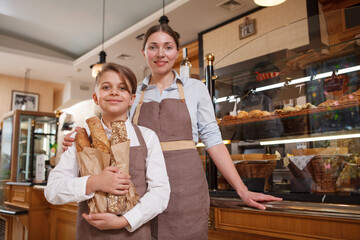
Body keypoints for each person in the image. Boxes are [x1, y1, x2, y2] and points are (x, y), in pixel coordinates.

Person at [63, 24, 282, 239]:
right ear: (144, 52)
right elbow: (115, 137)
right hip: (140, 189)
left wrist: (242, 190)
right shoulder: (132, 92)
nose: (160, 54)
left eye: (168, 47)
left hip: (187, 187)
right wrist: (81, 146)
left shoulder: (195, 88)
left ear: (176, 52)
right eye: (153, 47)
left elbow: (213, 140)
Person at [45, 63, 170, 240]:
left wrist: (125, 220)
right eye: (106, 87)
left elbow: (160, 192)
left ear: (132, 98)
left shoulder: (147, 137)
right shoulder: (81, 140)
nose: (114, 92)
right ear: (96, 97)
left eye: (122, 88)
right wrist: (94, 182)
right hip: (90, 235)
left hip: (135, 234)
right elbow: (52, 191)